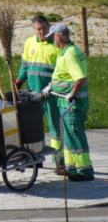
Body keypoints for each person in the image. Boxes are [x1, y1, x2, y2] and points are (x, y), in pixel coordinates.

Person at [46, 22, 93, 181]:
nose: (52, 41)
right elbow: (62, 75)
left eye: (53, 38)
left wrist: (72, 94)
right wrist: (51, 85)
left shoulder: (70, 54)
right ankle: (71, 167)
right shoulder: (65, 52)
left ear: (59, 37)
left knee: (75, 136)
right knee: (69, 137)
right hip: (64, 104)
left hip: (73, 105)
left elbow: (80, 78)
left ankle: (85, 171)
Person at [16, 13, 62, 153]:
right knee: (33, 126)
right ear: (34, 29)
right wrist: (19, 81)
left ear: (49, 27)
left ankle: (58, 157)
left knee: (55, 126)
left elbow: (61, 71)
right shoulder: (29, 42)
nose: (42, 32)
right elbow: (25, 66)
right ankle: (34, 154)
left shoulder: (57, 45)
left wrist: (52, 86)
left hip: (51, 94)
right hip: (33, 93)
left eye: (44, 28)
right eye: (38, 29)